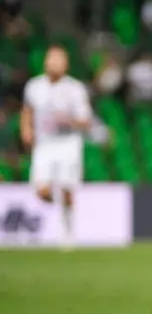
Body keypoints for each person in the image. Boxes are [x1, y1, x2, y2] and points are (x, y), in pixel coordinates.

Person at [20, 46, 94, 249]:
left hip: (68, 144)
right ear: (45, 62)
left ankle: (68, 233)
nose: (54, 63)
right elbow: (27, 110)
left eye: (59, 60)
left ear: (66, 64)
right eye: (51, 59)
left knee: (68, 189)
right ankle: (57, 203)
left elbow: (86, 121)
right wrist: (26, 129)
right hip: (44, 144)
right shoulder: (34, 86)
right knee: (41, 190)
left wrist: (69, 120)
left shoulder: (75, 88)